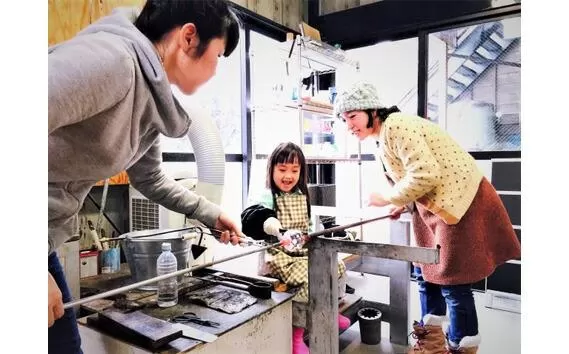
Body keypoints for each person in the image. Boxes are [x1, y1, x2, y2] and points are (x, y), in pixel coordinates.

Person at [48, 1, 243, 352]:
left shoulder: (150, 95)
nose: (216, 71)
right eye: (218, 56)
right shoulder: (113, 61)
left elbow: (150, 178)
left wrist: (211, 214)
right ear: (188, 37)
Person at [333, 82, 521, 354]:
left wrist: (388, 198)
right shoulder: (381, 137)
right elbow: (412, 177)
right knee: (425, 274)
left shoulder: (396, 126)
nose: (349, 125)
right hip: (434, 209)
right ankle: (431, 345)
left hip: (459, 203)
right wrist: (401, 202)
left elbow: (425, 174)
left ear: (373, 110)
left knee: (453, 281)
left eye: (352, 116)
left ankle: (461, 347)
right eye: (344, 119)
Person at [241, 142, 351, 354]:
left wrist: (311, 236)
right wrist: (280, 231)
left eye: (294, 170)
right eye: (282, 170)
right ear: (271, 169)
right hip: (277, 256)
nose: (288, 176)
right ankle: (297, 337)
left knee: (336, 266)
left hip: (300, 250)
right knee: (309, 277)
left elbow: (305, 227)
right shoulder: (266, 196)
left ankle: (328, 312)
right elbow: (253, 219)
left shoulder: (302, 195)